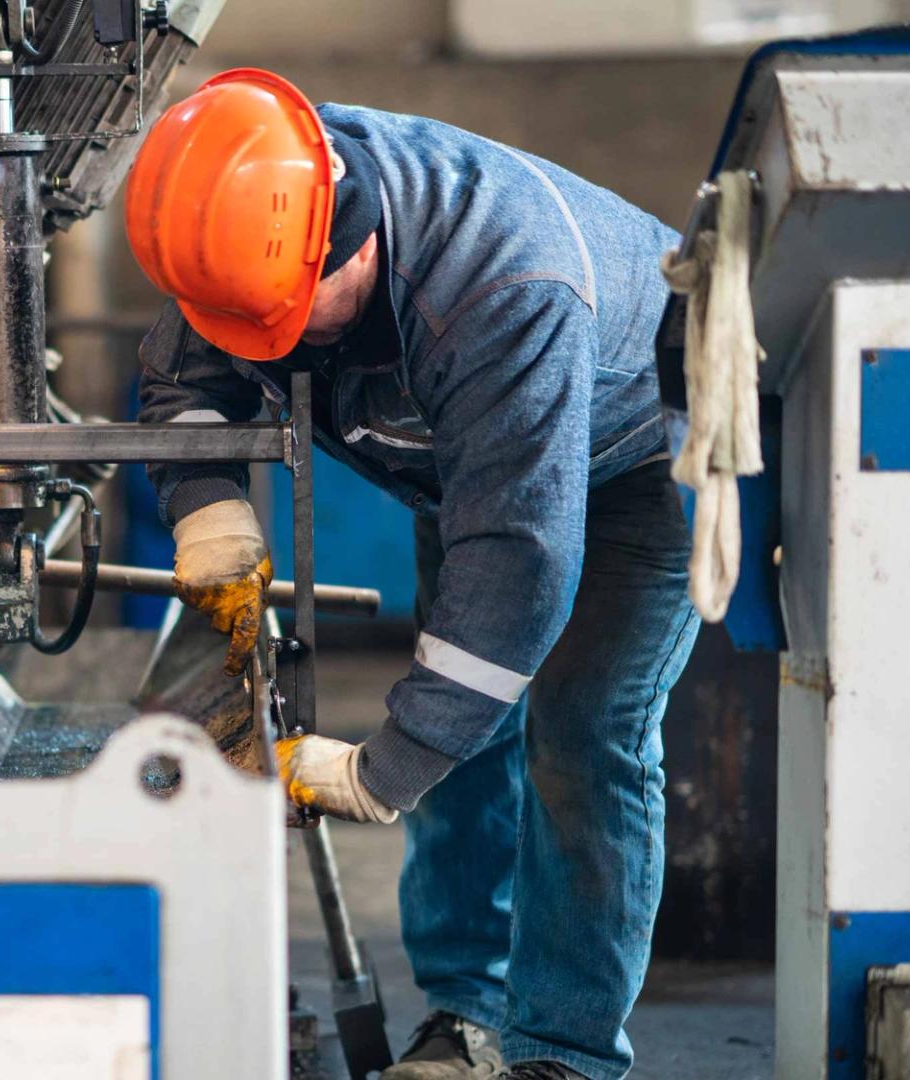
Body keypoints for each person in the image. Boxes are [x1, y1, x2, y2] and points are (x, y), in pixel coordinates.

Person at [124, 69, 703, 1080]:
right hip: (474, 469)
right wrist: (207, 505)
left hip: (637, 459)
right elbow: (188, 370)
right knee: (467, 729)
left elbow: (518, 558)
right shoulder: (244, 202)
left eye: (288, 322)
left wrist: (379, 772)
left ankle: (563, 1053)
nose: (274, 347)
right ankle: (467, 1018)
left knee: (582, 733)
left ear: (353, 242)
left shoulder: (505, 284)